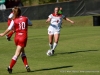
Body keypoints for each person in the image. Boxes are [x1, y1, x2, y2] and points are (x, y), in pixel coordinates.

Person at [0, 7, 32, 74]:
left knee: (22, 52)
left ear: (14, 13)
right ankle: (10, 67)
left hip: (17, 37)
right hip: (23, 37)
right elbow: (30, 23)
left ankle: (26, 65)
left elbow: (9, 29)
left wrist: (3, 34)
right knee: (17, 54)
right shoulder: (25, 18)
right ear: (20, 12)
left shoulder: (14, 20)